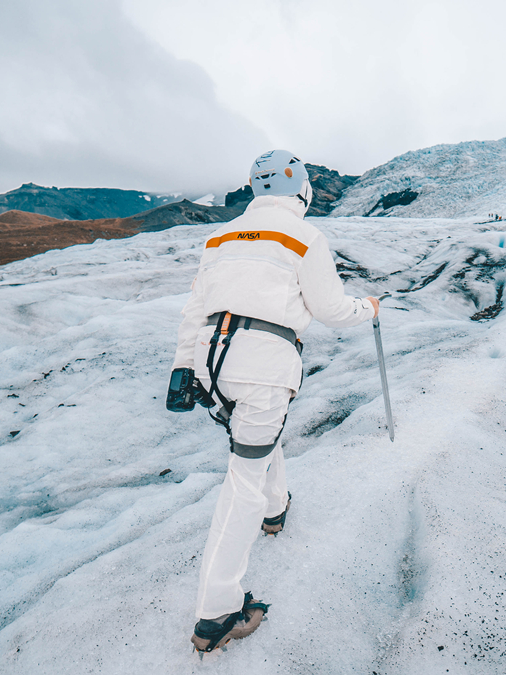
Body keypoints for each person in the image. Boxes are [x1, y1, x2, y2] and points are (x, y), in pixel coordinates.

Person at [165, 149, 379, 654]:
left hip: (211, 363)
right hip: (262, 366)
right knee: (243, 478)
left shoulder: (218, 236)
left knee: (255, 442)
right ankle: (215, 613)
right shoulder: (304, 236)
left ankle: (275, 509)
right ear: (300, 189)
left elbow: (195, 308)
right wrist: (368, 308)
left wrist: (181, 367)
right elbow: (329, 308)